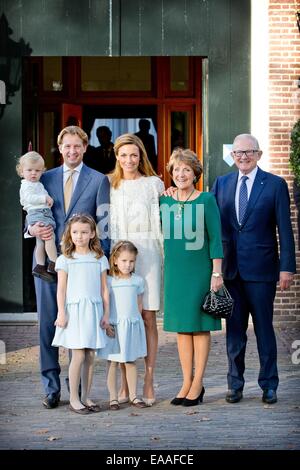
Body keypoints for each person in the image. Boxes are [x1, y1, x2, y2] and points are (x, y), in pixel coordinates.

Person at [28, 125, 110, 409]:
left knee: (82, 325)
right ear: (60, 148)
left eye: (77, 146)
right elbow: (31, 209)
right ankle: (51, 387)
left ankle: (75, 389)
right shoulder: (44, 177)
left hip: (85, 264)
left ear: (85, 148)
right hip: (49, 264)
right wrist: (32, 227)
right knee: (49, 323)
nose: (72, 151)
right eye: (67, 146)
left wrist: (104, 262)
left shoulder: (99, 180)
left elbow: (104, 223)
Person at [211, 133, 296, 405]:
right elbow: (211, 226)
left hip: (262, 270)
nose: (243, 157)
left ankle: (269, 385)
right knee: (234, 333)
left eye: (249, 152)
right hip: (231, 271)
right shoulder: (221, 183)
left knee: (263, 331)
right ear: (232, 156)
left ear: (259, 154)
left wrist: (287, 268)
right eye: (238, 153)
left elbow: (285, 229)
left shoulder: (274, 184)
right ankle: (235, 384)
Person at [160, 148, 223, 407]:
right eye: (176, 170)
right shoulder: (165, 201)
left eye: (186, 169)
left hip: (200, 272)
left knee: (199, 325)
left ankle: (198, 383)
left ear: (195, 173)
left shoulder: (206, 200)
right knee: (182, 327)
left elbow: (216, 239)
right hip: (175, 273)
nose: (181, 174)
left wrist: (216, 273)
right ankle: (186, 381)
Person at [110, 133, 164, 405]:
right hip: (121, 257)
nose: (129, 160)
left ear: (141, 156)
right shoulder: (110, 184)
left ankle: (149, 379)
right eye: (123, 155)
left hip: (149, 254)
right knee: (124, 321)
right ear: (117, 157)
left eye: (134, 154)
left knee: (148, 318)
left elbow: (168, 217)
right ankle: (124, 382)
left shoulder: (153, 184)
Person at [52, 214, 110, 414]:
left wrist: (106, 314)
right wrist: (61, 313)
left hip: (93, 311)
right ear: (70, 234)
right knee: (77, 355)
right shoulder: (65, 259)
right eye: (75, 232)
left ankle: (86, 396)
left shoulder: (99, 259)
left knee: (90, 356)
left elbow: (104, 289)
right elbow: (61, 290)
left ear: (92, 234)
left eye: (84, 232)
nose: (79, 236)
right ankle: (74, 399)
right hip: (74, 312)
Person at [98, 241, 148, 410]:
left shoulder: (138, 281)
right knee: (112, 362)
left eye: (131, 261)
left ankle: (134, 396)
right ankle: (113, 398)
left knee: (130, 361)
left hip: (131, 327)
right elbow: (105, 305)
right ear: (115, 261)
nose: (128, 265)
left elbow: (138, 305)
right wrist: (107, 324)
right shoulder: (110, 281)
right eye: (124, 261)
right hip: (114, 326)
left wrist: (138, 323)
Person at [17, 151, 57, 283]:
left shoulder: (37, 184)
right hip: (38, 213)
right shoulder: (26, 185)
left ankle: (40, 266)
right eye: (29, 170)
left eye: (38, 170)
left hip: (41, 212)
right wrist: (44, 198)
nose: (33, 173)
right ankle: (54, 262)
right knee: (49, 236)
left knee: (40, 241)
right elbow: (28, 199)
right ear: (21, 171)